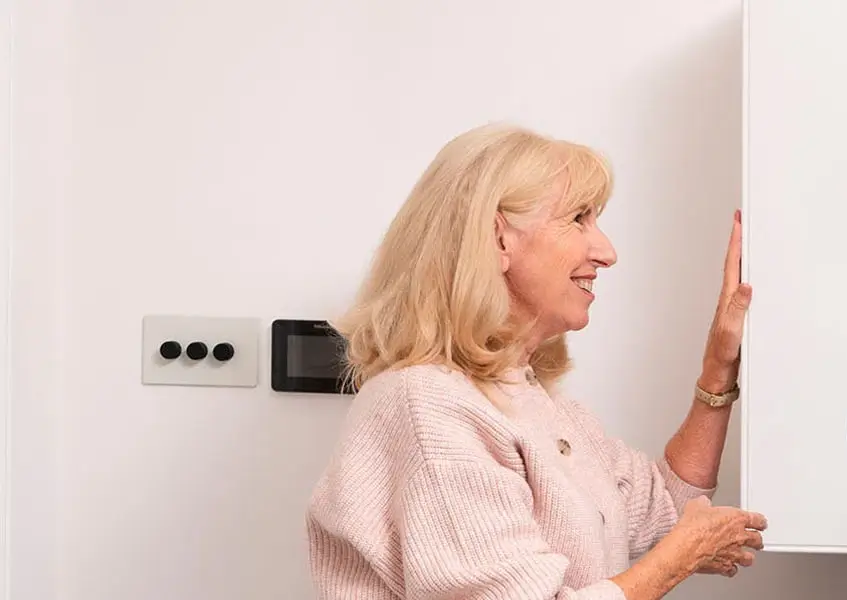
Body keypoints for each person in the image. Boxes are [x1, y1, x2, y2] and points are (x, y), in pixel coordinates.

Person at [304, 122, 767, 600]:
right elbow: (678, 540)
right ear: (499, 238)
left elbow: (669, 509)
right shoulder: (427, 409)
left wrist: (719, 364)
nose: (606, 252)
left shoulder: (535, 404)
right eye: (578, 219)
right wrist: (680, 558)